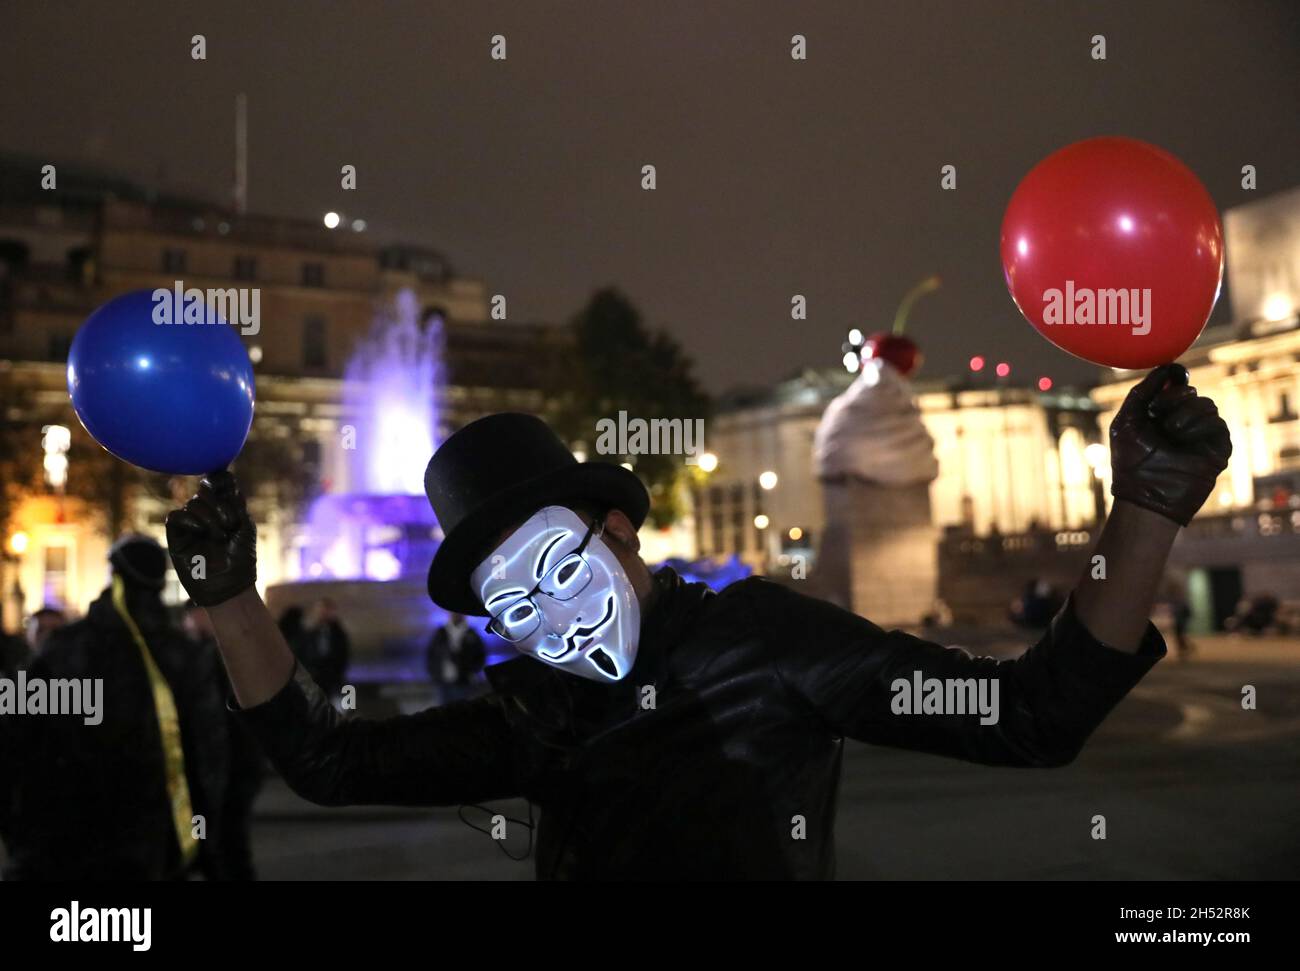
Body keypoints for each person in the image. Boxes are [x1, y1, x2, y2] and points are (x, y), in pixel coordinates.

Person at [165, 365, 1231, 880]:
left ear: (619, 529)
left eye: (557, 566)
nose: (555, 617)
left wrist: (1143, 509)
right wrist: (229, 599)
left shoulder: (767, 640)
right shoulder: (533, 712)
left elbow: (1028, 714)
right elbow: (330, 761)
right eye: (515, 605)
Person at [0, 536, 231, 880]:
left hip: (66, 831)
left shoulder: (64, 647)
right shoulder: (183, 656)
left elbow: (16, 741)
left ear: (113, 575)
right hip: (151, 835)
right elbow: (208, 756)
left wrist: (19, 832)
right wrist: (203, 840)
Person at [184, 602, 265, 880]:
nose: (190, 623)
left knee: (226, 844)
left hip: (231, 765)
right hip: (231, 764)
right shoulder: (219, 651)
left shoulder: (219, 654)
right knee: (224, 845)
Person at [426, 613, 486, 704]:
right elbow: (431, 654)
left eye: (458, 614)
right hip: (442, 681)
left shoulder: (471, 633)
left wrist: (473, 672)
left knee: (461, 707)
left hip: (463, 680)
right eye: (453, 614)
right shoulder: (441, 632)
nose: (455, 616)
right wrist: (433, 673)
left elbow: (480, 654)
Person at [299, 598, 350, 699]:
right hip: (314, 676)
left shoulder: (338, 633)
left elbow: (343, 654)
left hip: (332, 676)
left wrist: (338, 673)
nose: (322, 613)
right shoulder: (310, 633)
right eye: (320, 610)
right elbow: (304, 653)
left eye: (326, 610)